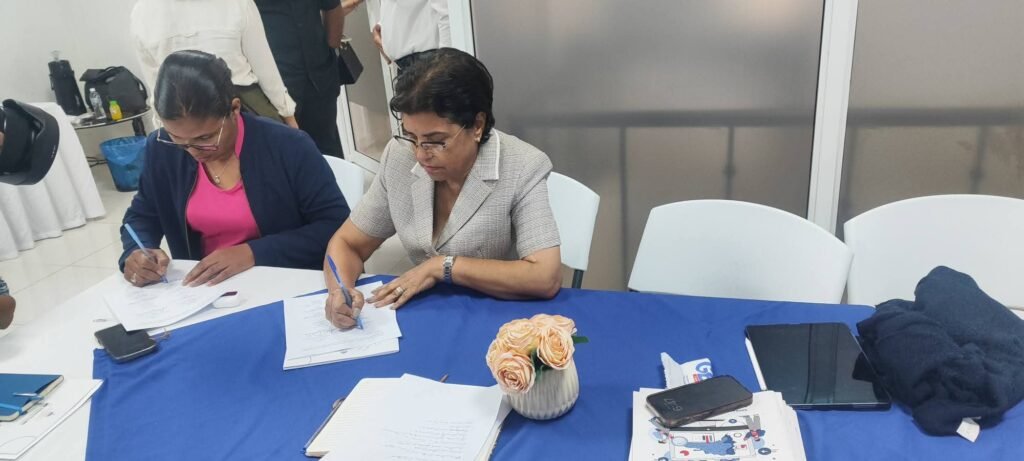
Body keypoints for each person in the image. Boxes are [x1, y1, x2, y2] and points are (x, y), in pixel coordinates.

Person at [323, 48, 562, 329]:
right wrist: (340, 290)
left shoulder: (522, 165)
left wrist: (443, 266)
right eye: (411, 137)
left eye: (436, 141)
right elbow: (347, 243)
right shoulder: (399, 156)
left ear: (477, 125)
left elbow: (545, 277)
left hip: (494, 318)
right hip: (428, 316)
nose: (420, 154)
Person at [119, 50, 349, 287]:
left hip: (283, 281)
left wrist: (254, 253)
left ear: (235, 109)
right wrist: (137, 251)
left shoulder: (288, 146)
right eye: (177, 138)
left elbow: (335, 225)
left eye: (205, 138)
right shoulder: (162, 149)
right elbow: (142, 215)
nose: (193, 151)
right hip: (204, 290)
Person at [130, 0, 299, 127]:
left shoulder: (142, 11)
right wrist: (288, 116)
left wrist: (162, 130)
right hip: (242, 106)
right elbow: (265, 68)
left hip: (184, 120)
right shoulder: (236, 3)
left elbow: (157, 87)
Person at [255, 0, 363, 158]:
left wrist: (329, 47)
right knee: (288, 153)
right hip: (277, 87)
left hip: (319, 79)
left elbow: (332, 7)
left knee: (327, 150)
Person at [372, 0, 450, 75]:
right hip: (406, 65)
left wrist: (446, 59)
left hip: (427, 62)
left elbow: (446, 12)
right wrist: (383, 25)